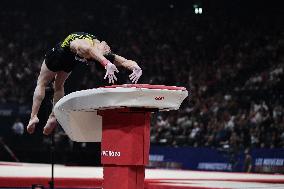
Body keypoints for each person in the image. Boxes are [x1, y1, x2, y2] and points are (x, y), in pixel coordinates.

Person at [27, 32, 143, 135]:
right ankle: (52, 117)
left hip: (60, 55)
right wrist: (106, 62)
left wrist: (136, 67)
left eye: (107, 49)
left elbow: (124, 61)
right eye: (107, 48)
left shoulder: (94, 49)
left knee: (42, 83)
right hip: (68, 54)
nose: (108, 47)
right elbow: (90, 50)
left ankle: (35, 117)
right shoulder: (89, 45)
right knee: (58, 86)